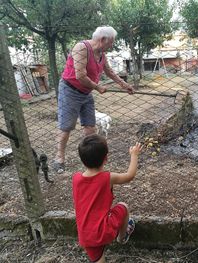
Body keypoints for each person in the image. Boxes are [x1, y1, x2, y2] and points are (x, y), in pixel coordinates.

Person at [54, 26, 134, 173]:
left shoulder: (102, 54)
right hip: (69, 90)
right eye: (111, 42)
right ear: (103, 39)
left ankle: (92, 158)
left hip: (86, 92)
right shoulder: (81, 48)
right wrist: (98, 87)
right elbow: (80, 76)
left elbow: (109, 71)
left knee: (90, 127)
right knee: (66, 126)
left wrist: (124, 85)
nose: (112, 45)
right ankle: (59, 158)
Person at [72, 134, 142, 263]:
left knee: (98, 259)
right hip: (104, 229)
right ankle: (122, 238)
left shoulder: (76, 179)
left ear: (82, 160)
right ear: (106, 158)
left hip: (86, 235)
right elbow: (129, 175)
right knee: (123, 207)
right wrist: (134, 155)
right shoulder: (107, 178)